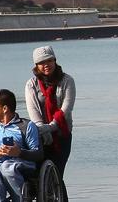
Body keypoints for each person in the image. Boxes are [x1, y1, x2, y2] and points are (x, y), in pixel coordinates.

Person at [25, 45, 76, 201]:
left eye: (49, 60)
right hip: (41, 136)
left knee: (57, 173)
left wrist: (51, 127)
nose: (46, 65)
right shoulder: (31, 85)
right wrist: (44, 130)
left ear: (55, 60)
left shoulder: (67, 81)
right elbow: (34, 113)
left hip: (62, 135)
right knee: (41, 175)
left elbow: (65, 109)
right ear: (36, 66)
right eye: (41, 62)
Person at [0, 88, 42, 202]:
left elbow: (38, 154)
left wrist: (19, 152)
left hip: (21, 164)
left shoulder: (26, 125)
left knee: (7, 167)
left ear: (5, 108)